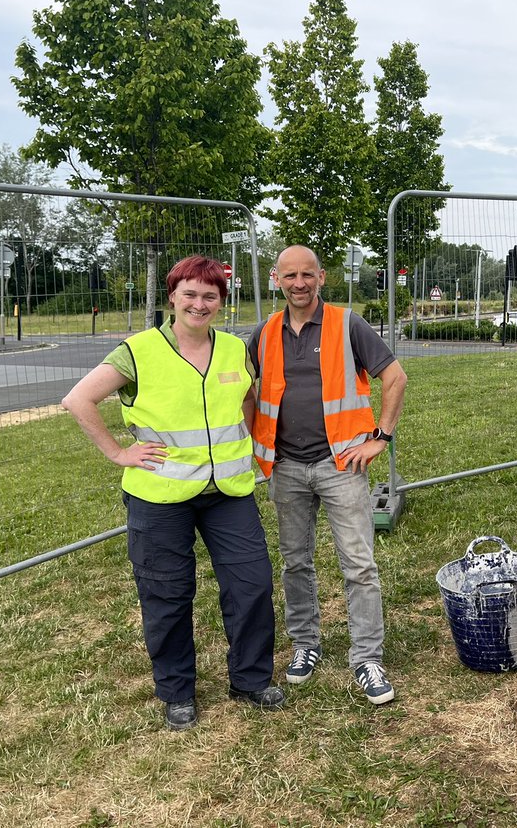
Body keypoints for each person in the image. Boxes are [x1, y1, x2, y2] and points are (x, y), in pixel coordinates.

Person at [62, 255, 283, 730]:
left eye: (210, 295)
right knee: (166, 593)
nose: (199, 304)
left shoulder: (232, 348)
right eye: (190, 294)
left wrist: (244, 440)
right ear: (172, 297)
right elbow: (78, 399)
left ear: (221, 302)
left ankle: (250, 679)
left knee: (252, 585)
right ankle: (177, 690)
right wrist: (119, 453)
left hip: (227, 491)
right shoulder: (138, 350)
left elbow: (248, 395)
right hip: (159, 497)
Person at [249, 245, 407, 705]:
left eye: (308, 274)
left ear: (322, 277)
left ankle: (366, 659)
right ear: (276, 278)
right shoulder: (262, 334)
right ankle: (306, 646)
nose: (299, 283)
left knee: (359, 565)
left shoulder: (347, 324)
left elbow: (394, 377)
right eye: (290, 275)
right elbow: (240, 388)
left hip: (341, 465)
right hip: (286, 466)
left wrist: (380, 436)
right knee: (295, 561)